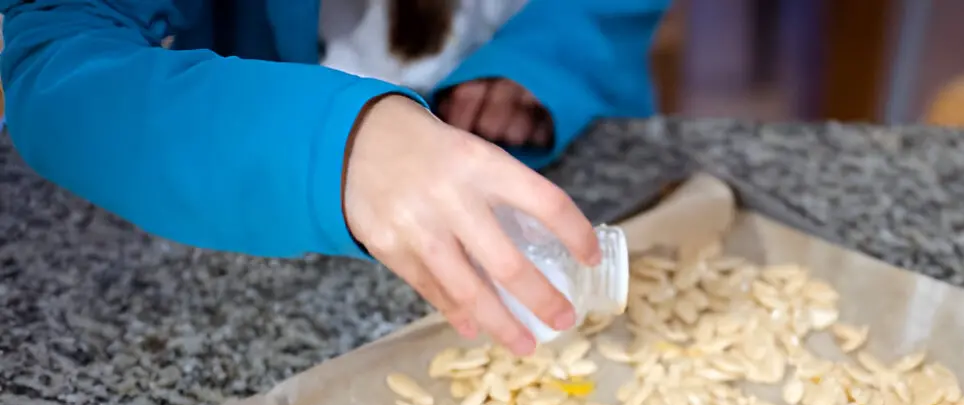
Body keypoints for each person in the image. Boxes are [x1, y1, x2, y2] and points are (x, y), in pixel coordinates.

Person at [0, 0, 670, 355]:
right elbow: (60, 67)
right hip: (252, 222)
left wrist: (547, 58)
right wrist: (333, 145)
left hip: (548, 141)